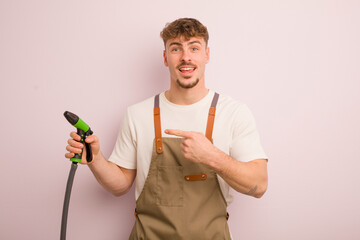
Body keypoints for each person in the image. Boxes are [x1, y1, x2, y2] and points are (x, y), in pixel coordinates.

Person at [65, 18, 268, 239]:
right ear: (165, 58)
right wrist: (96, 160)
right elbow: (120, 185)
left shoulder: (234, 113)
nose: (185, 57)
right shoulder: (137, 114)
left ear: (207, 55)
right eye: (175, 48)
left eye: (194, 47)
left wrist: (213, 157)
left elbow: (259, 185)